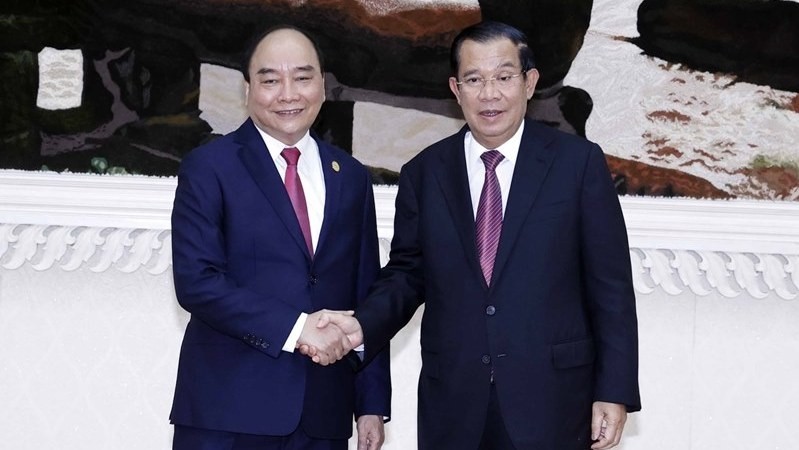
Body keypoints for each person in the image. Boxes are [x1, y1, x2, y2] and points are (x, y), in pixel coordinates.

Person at [305, 20, 640, 450]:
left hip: (553, 399)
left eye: (503, 77)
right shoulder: (424, 173)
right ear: (455, 88)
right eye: (474, 80)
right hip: (455, 402)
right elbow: (408, 274)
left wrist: (613, 390)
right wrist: (360, 325)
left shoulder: (577, 165)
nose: (489, 94)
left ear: (529, 81)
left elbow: (610, 286)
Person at [168, 24, 390, 450]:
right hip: (228, 412)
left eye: (303, 77)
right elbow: (197, 282)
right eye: (270, 80)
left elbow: (367, 294)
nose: (288, 94)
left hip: (324, 416)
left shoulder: (351, 177)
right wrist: (296, 328)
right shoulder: (209, 167)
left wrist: (370, 403)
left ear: (322, 85)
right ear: (247, 89)